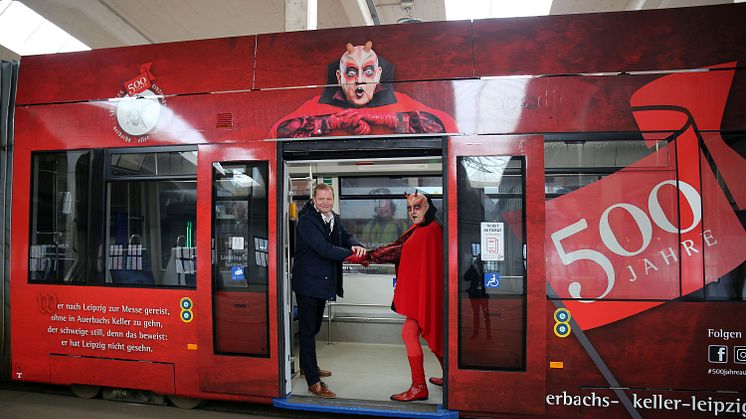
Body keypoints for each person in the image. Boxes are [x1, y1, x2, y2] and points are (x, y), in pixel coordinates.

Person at [346, 191, 443, 402]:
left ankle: (419, 387)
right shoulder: (422, 228)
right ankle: (448, 378)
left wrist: (368, 256)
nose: (412, 212)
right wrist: (369, 256)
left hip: (425, 294)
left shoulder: (429, 230)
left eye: (417, 207)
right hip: (425, 294)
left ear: (428, 207)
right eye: (409, 208)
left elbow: (397, 250)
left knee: (414, 335)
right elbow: (398, 246)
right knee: (433, 335)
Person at [268, 41, 457, 138]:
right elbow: (277, 133)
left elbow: (446, 127)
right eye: (351, 72)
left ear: (378, 74)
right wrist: (332, 123)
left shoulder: (401, 102)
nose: (360, 80)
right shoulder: (317, 106)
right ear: (339, 77)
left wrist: (389, 119)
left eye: (367, 71)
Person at [293, 183, 366, 399]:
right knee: (307, 331)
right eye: (321, 199)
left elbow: (345, 235)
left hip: (322, 284)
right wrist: (352, 256)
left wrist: (355, 245)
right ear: (314, 200)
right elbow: (324, 249)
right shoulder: (307, 220)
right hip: (307, 285)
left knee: (314, 328)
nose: (325, 202)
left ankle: (308, 367)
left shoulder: (333, 218)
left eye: (329, 199)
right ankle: (313, 381)